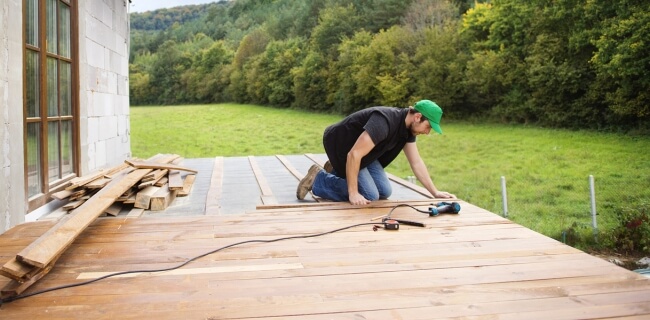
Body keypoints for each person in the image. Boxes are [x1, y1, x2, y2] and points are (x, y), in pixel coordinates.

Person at [296, 99, 456, 205]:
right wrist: (352, 193)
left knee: (384, 191)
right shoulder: (385, 122)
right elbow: (354, 154)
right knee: (369, 195)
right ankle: (318, 179)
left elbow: (416, 162)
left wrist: (435, 192)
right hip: (342, 145)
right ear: (417, 117)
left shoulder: (407, 130)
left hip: (364, 153)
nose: (427, 132)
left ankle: (338, 170)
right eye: (428, 127)